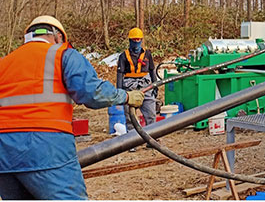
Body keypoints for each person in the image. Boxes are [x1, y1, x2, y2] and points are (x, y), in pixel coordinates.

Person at [0, 15, 144, 200]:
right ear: (58, 37)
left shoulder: (5, 62)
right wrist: (125, 96)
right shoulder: (62, 54)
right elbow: (91, 92)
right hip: (47, 145)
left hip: (4, 153)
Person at [116, 28, 158, 133]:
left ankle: (151, 138)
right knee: (130, 118)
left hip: (146, 86)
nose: (136, 42)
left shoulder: (147, 54)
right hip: (129, 87)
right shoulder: (123, 56)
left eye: (138, 40)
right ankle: (132, 142)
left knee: (151, 114)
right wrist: (119, 90)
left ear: (141, 40)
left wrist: (155, 85)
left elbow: (152, 70)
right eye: (134, 40)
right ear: (130, 41)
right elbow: (120, 74)